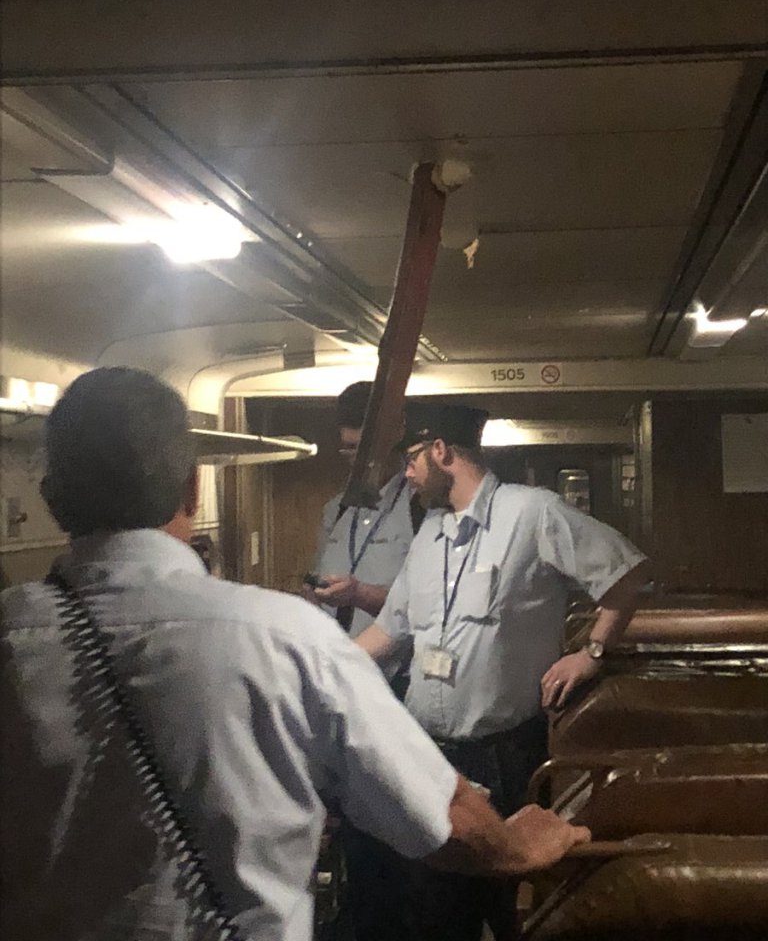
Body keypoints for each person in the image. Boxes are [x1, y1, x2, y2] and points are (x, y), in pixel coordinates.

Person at [0, 369, 589, 941]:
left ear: (51, 499)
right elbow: (440, 818)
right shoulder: (286, 637)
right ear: (193, 488)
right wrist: (519, 844)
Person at [357, 401, 650, 941]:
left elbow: (625, 575)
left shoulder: (532, 513)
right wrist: (319, 670)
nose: (407, 474)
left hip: (507, 756)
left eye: (411, 459)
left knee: (514, 911)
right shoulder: (430, 535)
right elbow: (388, 631)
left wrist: (592, 653)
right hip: (432, 761)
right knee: (437, 913)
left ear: (441, 452)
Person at [304, 381, 418, 941]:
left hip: (400, 686)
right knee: (346, 820)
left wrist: (361, 595)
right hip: (341, 682)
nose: (350, 462)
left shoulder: (421, 508)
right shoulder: (337, 511)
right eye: (345, 450)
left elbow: (422, 603)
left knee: (392, 823)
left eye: (358, 451)